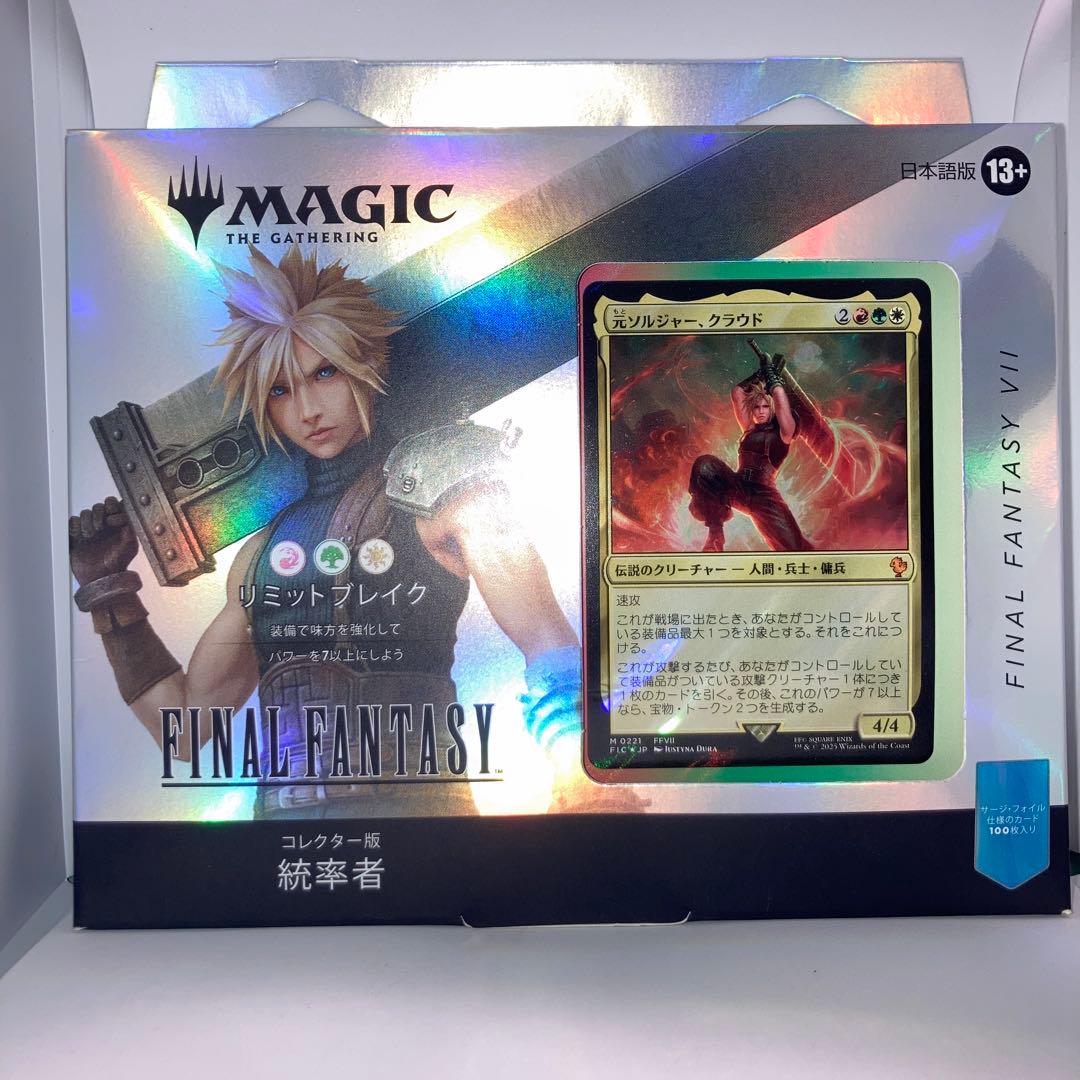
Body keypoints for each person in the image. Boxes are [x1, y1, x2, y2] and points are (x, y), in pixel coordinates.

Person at [69, 245, 579, 817]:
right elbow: (185, 732)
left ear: (368, 368)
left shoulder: (445, 494)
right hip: (284, 836)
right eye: (280, 390)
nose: (307, 409)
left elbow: (548, 643)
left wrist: (580, 768)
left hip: (419, 823)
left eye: (324, 372)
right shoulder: (261, 553)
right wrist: (109, 593)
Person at [688, 345, 813, 553]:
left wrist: (772, 376)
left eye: (765, 407)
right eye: (756, 407)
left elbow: (779, 396)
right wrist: (761, 373)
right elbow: (737, 393)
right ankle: (715, 535)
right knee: (705, 465)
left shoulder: (784, 432)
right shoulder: (749, 429)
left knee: (795, 549)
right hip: (739, 488)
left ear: (772, 408)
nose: (760, 411)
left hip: (765, 498)